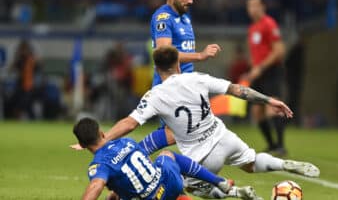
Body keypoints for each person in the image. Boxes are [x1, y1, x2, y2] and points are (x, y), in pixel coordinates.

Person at [73, 46, 320, 199]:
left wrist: (104, 141)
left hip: (201, 156)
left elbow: (129, 123)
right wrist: (269, 101)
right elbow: (236, 90)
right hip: (224, 136)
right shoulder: (198, 78)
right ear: (178, 63)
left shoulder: (155, 96)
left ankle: (233, 192)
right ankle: (283, 164)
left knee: (186, 187)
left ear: (157, 69)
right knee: (251, 161)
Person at [73, 117, 258, 200]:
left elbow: (96, 185)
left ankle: (224, 190)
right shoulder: (126, 142)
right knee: (166, 155)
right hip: (170, 184)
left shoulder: (98, 165)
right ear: (102, 132)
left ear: (82, 145)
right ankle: (219, 181)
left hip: (150, 197)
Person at [140, 0, 222, 159]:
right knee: (179, 133)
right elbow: (164, 51)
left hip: (187, 84)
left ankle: (198, 180)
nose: (191, 0)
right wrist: (200, 55)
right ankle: (133, 158)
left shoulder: (185, 17)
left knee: (198, 132)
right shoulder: (163, 17)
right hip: (170, 84)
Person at [246, 0, 287, 156]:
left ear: (263, 7)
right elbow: (255, 53)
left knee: (272, 108)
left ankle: (281, 146)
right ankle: (271, 145)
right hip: (258, 72)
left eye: (255, 5)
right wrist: (252, 70)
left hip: (270, 71)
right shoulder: (252, 29)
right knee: (256, 111)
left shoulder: (269, 24)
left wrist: (261, 67)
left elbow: (279, 50)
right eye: (249, 6)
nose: (252, 9)